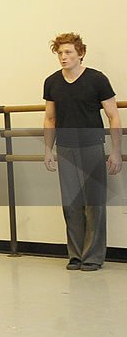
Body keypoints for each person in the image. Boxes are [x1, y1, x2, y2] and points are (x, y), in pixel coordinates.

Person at [43, 33, 121, 272]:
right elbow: (50, 117)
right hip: (65, 147)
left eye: (68, 52)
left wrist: (116, 151)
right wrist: (48, 149)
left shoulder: (97, 79)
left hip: (91, 146)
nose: (63, 57)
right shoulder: (52, 82)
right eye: (60, 53)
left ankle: (93, 256)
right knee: (71, 204)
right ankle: (75, 255)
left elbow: (113, 115)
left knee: (93, 204)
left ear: (80, 54)